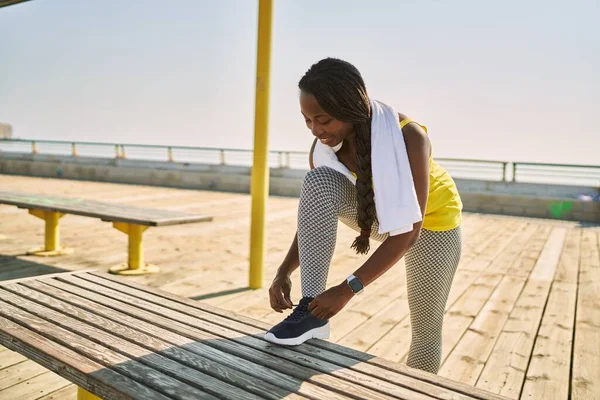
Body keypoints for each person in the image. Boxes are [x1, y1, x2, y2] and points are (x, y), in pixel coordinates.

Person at [264, 57, 463, 374]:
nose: (316, 130)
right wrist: (284, 270)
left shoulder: (410, 137)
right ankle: (311, 314)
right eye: (307, 121)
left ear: (348, 108)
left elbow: (409, 230)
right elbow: (313, 217)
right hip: (374, 215)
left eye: (324, 120)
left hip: (431, 226)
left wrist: (346, 290)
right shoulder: (324, 150)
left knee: (426, 328)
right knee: (318, 182)